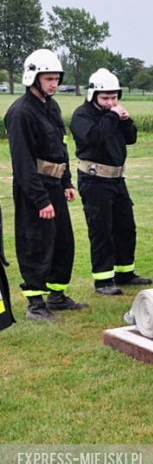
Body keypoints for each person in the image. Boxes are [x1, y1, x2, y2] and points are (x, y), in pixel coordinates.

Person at [4, 49, 88, 321]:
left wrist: (66, 181)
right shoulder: (20, 113)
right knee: (35, 243)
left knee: (63, 242)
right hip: (34, 187)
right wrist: (41, 200)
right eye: (49, 78)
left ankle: (57, 295)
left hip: (55, 183)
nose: (54, 84)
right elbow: (23, 162)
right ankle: (35, 304)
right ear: (34, 78)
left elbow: (59, 146)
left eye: (56, 78)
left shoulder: (51, 106)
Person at [70, 69, 151, 296]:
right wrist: (113, 116)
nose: (111, 102)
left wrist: (125, 121)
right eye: (105, 98)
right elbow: (95, 138)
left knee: (126, 227)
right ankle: (103, 280)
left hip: (116, 178)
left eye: (114, 97)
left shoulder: (113, 115)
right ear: (93, 95)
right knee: (101, 230)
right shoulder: (82, 116)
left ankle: (125, 272)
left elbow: (131, 138)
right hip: (94, 179)